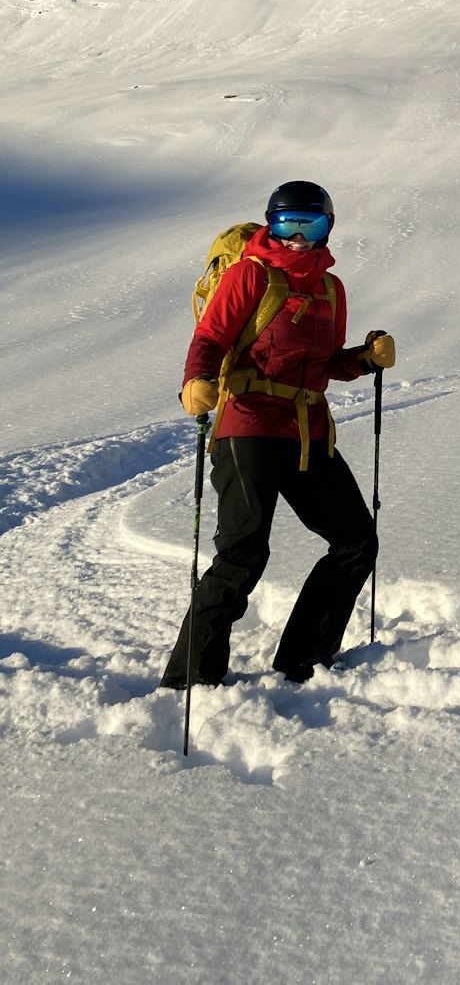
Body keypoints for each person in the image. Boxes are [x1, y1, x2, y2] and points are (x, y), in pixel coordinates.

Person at [160, 181, 395, 688]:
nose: (297, 236)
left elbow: (327, 363)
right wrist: (195, 381)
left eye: (311, 224)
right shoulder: (251, 274)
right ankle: (187, 679)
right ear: (271, 222)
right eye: (287, 223)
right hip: (247, 425)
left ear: (328, 228)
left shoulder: (331, 289)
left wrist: (364, 359)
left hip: (307, 430)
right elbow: (210, 337)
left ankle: (303, 660)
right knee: (243, 554)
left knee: (356, 540)